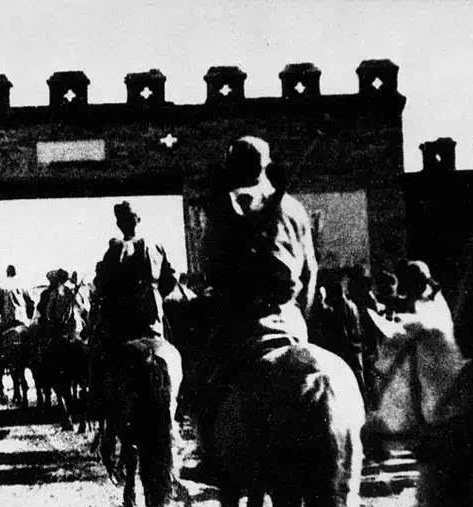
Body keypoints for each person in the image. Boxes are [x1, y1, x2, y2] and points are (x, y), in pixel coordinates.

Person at [193, 135, 318, 470]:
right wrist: (299, 318)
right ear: (267, 165)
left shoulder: (225, 204)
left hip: (241, 321)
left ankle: (210, 460)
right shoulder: (294, 208)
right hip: (291, 320)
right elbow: (311, 271)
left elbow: (209, 265)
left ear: (232, 166)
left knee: (202, 383)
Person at [89, 201, 180, 413]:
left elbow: (103, 285)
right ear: (138, 220)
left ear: (119, 223)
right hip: (154, 319)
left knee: (99, 357)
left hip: (123, 323)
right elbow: (169, 281)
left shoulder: (115, 248)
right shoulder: (157, 247)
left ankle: (100, 406)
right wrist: (155, 295)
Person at [0, 265, 35, 353]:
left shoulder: (2, 285)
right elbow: (30, 301)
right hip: (22, 319)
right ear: (15, 273)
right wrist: (29, 316)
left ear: (7, 273)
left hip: (8, 319)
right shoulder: (22, 284)